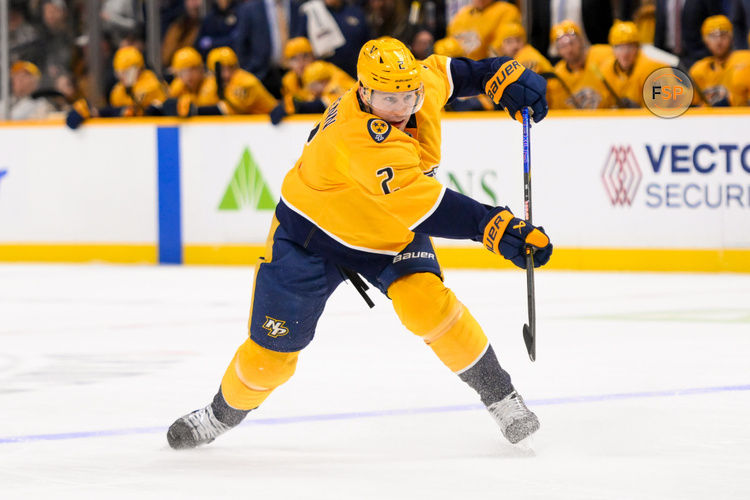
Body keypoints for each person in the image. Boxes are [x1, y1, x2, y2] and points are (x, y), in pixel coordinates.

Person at [166, 37, 552, 450]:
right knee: (268, 362)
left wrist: (497, 75)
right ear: (363, 91)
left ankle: (501, 397)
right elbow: (430, 208)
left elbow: (448, 74)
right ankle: (219, 413)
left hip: (386, 228)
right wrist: (494, 227)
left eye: (410, 96)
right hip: (310, 236)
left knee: (426, 304)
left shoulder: (414, 86)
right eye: (389, 98)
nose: (403, 108)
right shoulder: (356, 136)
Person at [546, 20, 614, 109]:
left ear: (581, 40)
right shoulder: (557, 77)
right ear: (558, 51)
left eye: (572, 43)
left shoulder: (604, 55)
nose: (569, 49)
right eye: (563, 46)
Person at [598, 21, 665, 108]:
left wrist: (638, 109)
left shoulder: (650, 68)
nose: (625, 53)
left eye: (630, 46)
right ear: (612, 49)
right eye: (619, 47)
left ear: (637, 48)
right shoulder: (606, 69)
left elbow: (658, 109)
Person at [689, 15, 750, 105]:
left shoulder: (745, 60)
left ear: (732, 37)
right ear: (705, 40)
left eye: (723, 35)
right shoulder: (698, 70)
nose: (719, 41)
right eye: (712, 36)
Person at [447, 0, 521, 60]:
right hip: (461, 66)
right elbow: (449, 41)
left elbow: (502, 46)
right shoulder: (463, 13)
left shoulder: (506, 10)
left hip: (488, 67)